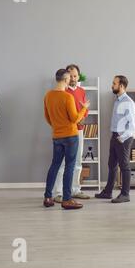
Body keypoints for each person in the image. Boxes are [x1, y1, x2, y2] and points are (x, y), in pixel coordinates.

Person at [43, 69, 90, 210]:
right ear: (65, 80)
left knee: (55, 165)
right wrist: (84, 108)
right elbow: (75, 118)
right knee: (70, 167)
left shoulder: (48, 96)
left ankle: (47, 197)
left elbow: (47, 118)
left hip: (56, 136)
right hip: (70, 136)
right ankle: (67, 200)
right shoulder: (67, 97)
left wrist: (57, 127)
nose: (71, 80)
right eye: (69, 78)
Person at [95, 75, 135, 203]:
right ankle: (108, 192)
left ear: (121, 86)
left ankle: (125, 194)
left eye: (114, 83)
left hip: (123, 138)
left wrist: (121, 138)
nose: (112, 85)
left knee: (124, 166)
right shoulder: (118, 100)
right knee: (112, 164)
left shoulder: (128, 102)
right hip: (115, 136)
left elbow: (133, 126)